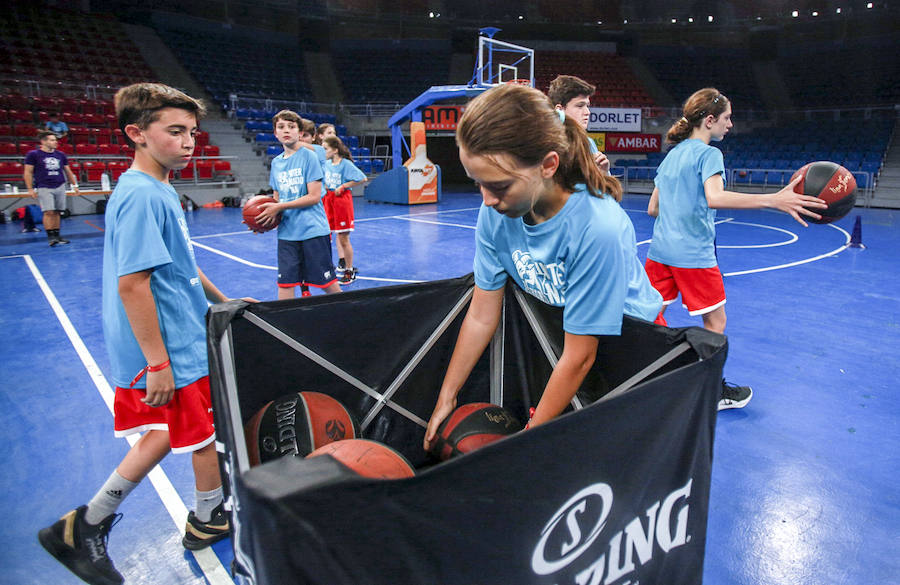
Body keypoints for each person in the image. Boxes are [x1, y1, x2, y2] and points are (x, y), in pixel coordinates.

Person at [38, 83, 253, 585]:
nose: (188, 142)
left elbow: (182, 265)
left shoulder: (158, 189)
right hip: (168, 345)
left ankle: (83, 523)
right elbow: (133, 285)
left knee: (168, 430)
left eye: (192, 132)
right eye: (175, 131)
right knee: (203, 433)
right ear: (136, 134)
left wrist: (225, 301)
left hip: (179, 333)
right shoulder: (139, 195)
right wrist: (158, 362)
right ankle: (206, 519)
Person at [423, 84, 662, 449]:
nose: (486, 201)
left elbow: (580, 357)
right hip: (570, 337)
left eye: (499, 186)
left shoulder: (598, 228)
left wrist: (527, 440)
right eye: (478, 184)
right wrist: (447, 396)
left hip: (629, 342)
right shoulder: (496, 214)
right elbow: (481, 316)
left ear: (548, 165)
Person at [646, 87, 827, 410]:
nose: (730, 124)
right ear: (710, 120)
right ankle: (713, 392)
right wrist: (773, 200)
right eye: (727, 118)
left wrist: (681, 210)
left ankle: (649, 378)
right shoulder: (709, 155)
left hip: (659, 253)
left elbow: (653, 208)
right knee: (715, 324)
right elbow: (714, 197)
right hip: (693, 255)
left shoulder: (672, 154)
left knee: (650, 315)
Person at [255, 110, 340, 299]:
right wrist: (262, 221)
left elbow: (314, 197)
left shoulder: (310, 157)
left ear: (300, 133)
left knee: (327, 284)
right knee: (285, 283)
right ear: (275, 133)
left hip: (312, 231)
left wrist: (279, 207)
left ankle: (348, 311)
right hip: (287, 233)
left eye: (291, 127)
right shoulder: (276, 163)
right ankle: (283, 319)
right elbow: (276, 199)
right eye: (281, 127)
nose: (286, 130)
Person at [322, 136, 367, 284]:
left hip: (342, 201)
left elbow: (362, 178)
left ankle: (349, 270)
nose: (323, 151)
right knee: (328, 235)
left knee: (343, 238)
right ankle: (334, 266)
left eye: (325, 149)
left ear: (335, 150)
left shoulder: (345, 164)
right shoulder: (326, 164)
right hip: (329, 200)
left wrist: (344, 186)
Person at [23, 130, 79, 245]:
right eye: (52, 140)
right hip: (44, 186)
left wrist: (74, 185)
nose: (55, 142)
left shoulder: (60, 155)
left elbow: (68, 171)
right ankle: (50, 236)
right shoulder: (33, 154)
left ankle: (57, 235)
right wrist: (30, 188)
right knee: (48, 211)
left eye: (55, 140)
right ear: (43, 141)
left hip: (59, 185)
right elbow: (28, 172)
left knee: (58, 211)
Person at [547, 75, 609, 174]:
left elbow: (603, 183)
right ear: (559, 109)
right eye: (580, 106)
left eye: (587, 106)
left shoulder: (589, 143)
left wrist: (603, 174)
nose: (587, 112)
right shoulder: (546, 144)